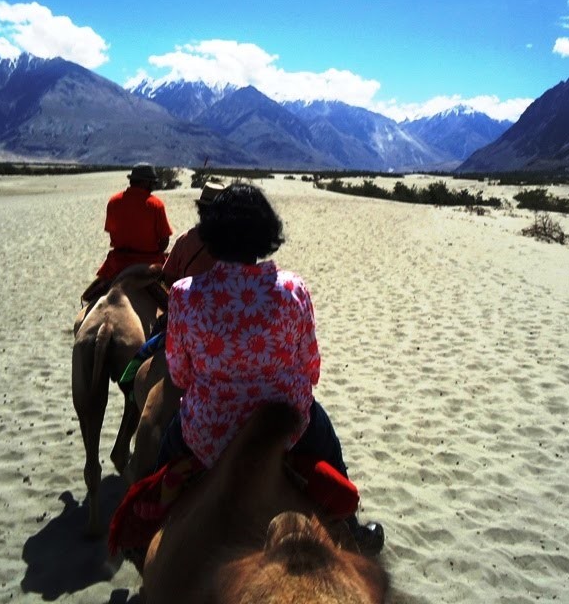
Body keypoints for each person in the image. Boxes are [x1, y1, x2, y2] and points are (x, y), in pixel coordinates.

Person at [159, 182, 383, 553]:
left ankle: (143, 530)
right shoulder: (293, 289)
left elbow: (180, 375)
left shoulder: (183, 293)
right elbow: (310, 366)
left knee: (160, 461)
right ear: (266, 233)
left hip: (208, 430)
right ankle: (351, 528)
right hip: (285, 424)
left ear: (212, 233)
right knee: (328, 446)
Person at [81, 163, 172, 305]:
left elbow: (112, 234)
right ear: (145, 182)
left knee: (89, 297)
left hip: (117, 264)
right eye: (151, 183)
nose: (152, 186)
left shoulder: (114, 201)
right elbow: (164, 241)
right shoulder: (156, 204)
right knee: (170, 304)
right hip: (148, 265)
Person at [161, 180, 225, 285]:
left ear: (200, 210)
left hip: (186, 299)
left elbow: (169, 278)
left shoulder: (185, 239)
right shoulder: (234, 245)